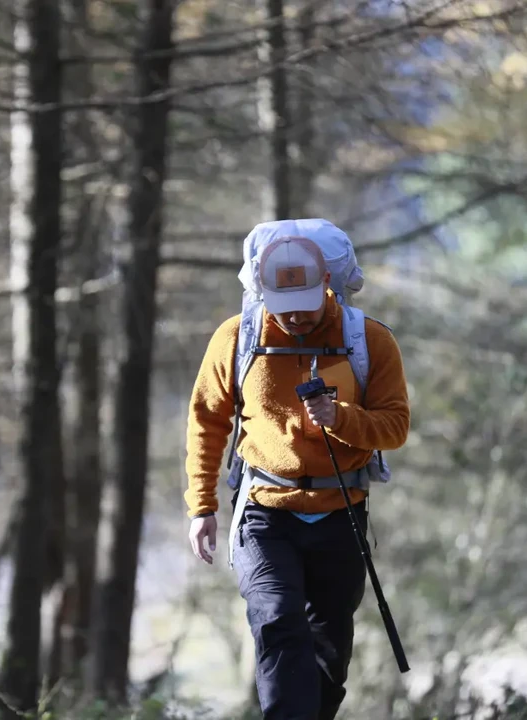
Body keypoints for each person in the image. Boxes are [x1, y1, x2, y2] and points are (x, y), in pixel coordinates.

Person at [183, 220, 410, 720]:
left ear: (327, 285)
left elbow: (395, 427)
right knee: (278, 621)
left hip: (342, 514)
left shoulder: (368, 341)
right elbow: (206, 420)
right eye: (282, 309)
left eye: (305, 306)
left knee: (330, 654)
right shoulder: (236, 339)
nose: (294, 319)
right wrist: (201, 506)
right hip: (265, 514)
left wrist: (342, 419)